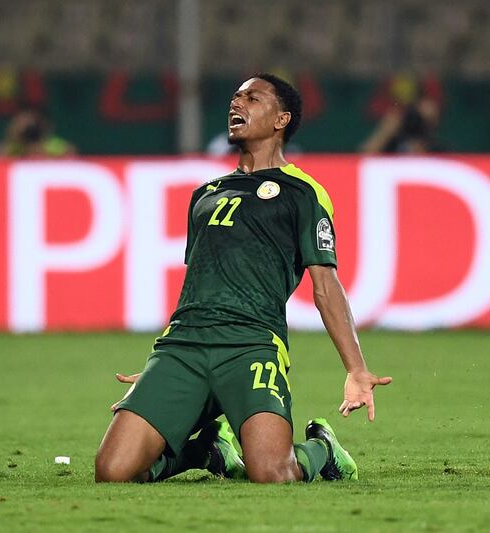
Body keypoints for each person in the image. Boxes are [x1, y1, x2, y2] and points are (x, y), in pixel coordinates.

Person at [95, 74, 392, 484]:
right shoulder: (205, 194)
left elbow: (325, 285)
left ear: (281, 119)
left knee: (271, 473)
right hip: (185, 345)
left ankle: (322, 448)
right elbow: (199, 283)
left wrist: (356, 368)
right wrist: (158, 361)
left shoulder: (304, 193)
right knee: (112, 472)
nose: (237, 104)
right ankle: (206, 450)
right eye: (235, 97)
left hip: (251, 344)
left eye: (253, 98)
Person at [0, 106, 76, 157]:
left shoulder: (52, 145)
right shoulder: (13, 147)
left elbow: (71, 152)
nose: (28, 127)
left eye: (32, 123)